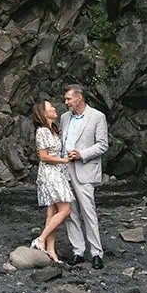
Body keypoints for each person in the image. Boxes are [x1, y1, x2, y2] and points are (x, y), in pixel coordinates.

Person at [60, 83, 109, 269]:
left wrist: (82, 154)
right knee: (69, 213)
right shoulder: (64, 118)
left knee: (89, 212)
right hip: (65, 169)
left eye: (68, 99)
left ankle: (96, 253)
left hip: (85, 168)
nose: (66, 102)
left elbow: (103, 145)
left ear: (79, 98)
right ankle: (78, 251)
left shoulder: (97, 117)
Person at [31, 100, 73, 261]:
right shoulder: (42, 131)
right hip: (50, 174)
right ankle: (40, 239)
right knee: (65, 210)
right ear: (43, 113)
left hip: (58, 173)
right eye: (50, 107)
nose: (54, 108)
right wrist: (65, 161)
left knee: (53, 212)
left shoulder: (53, 130)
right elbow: (43, 156)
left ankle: (50, 250)